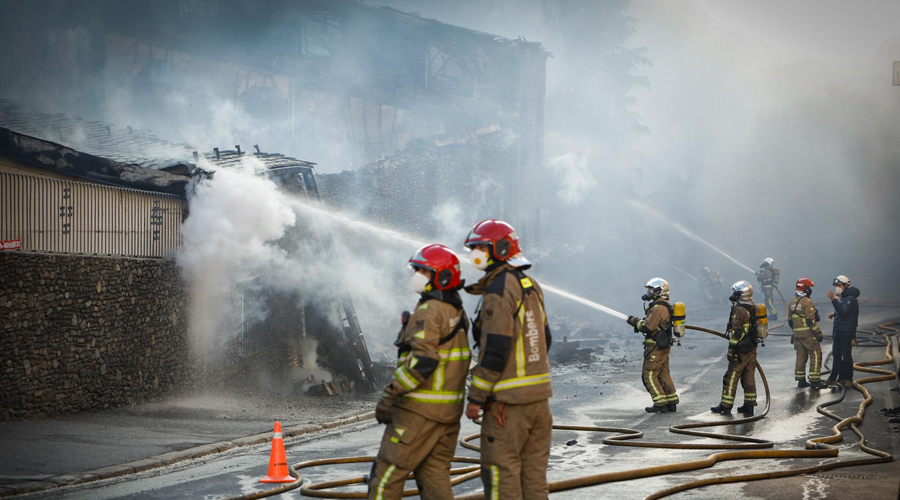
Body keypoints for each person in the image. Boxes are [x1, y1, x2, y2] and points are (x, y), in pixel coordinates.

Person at [368, 244, 470, 500]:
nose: (416, 276)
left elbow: (423, 362)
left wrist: (390, 395)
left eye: (422, 271)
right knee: (435, 477)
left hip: (418, 412)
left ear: (441, 276)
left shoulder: (429, 310)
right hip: (448, 413)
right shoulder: (457, 311)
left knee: (385, 477)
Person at [463, 219, 553, 500]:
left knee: (502, 479)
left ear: (499, 249)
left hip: (507, 408)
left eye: (479, 247)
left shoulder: (499, 289)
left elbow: (496, 349)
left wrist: (476, 397)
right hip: (539, 403)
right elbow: (545, 338)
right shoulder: (530, 284)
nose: (474, 253)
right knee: (534, 480)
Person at [627, 278, 679, 413]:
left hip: (656, 347)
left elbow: (649, 327)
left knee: (648, 375)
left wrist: (635, 322)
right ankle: (671, 401)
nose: (649, 292)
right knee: (663, 374)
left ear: (658, 290)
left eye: (651, 289)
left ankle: (660, 403)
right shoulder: (663, 305)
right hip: (662, 345)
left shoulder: (658, 307)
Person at [710, 281, 759, 415]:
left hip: (740, 348)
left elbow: (736, 331)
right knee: (748, 376)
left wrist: (732, 349)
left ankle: (725, 406)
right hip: (751, 347)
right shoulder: (752, 306)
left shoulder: (739, 309)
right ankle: (749, 405)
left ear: (741, 293)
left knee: (731, 376)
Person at [789, 277, 826, 390]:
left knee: (801, 356)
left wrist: (795, 332)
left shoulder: (792, 302)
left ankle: (801, 380)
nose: (810, 290)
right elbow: (810, 320)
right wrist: (818, 333)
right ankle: (815, 381)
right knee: (815, 354)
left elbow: (790, 320)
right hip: (808, 334)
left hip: (797, 335)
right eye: (809, 287)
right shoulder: (807, 302)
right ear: (805, 288)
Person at [826, 275, 860, 389]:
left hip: (846, 331)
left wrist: (833, 300)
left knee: (846, 355)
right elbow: (841, 309)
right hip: (838, 330)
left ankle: (848, 379)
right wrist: (834, 313)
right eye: (836, 285)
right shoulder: (843, 297)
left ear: (846, 285)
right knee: (836, 354)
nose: (837, 288)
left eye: (839, 285)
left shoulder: (850, 298)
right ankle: (837, 377)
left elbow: (844, 311)